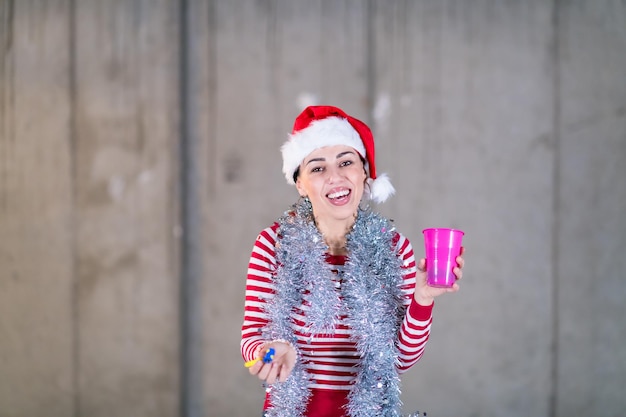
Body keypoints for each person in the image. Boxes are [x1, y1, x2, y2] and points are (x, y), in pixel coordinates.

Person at [240, 105, 465, 417]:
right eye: (317, 168)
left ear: (364, 173)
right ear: (301, 184)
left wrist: (422, 299)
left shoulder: (394, 247)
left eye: (346, 162)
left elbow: (399, 360)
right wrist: (269, 354)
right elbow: (253, 341)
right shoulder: (273, 244)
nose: (335, 176)